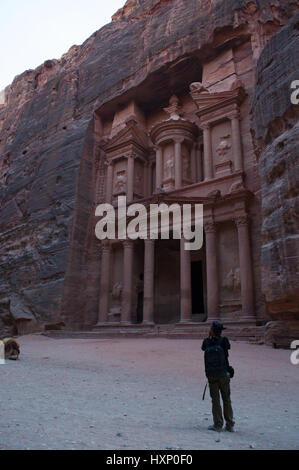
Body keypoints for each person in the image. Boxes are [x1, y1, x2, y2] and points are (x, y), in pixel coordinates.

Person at [202, 321, 235, 432]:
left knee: (215, 400)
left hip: (212, 374)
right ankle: (230, 424)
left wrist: (210, 337)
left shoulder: (206, 342)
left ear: (211, 330)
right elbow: (226, 354)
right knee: (227, 399)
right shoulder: (224, 341)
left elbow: (203, 348)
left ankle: (217, 424)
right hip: (223, 373)